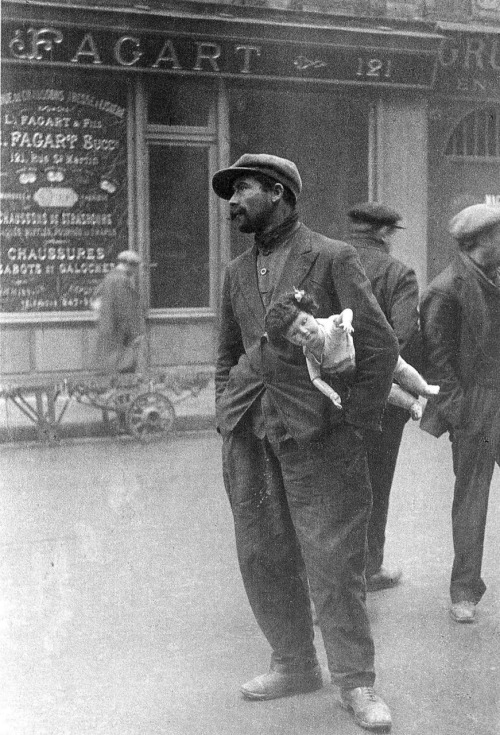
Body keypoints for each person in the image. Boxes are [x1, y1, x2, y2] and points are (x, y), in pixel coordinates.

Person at [212, 153, 399, 731]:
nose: (232, 203)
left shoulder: (331, 257)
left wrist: (357, 424)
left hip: (321, 436)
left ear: (278, 192)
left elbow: (380, 347)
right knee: (262, 554)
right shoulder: (237, 271)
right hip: (251, 433)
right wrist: (227, 408)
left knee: (333, 560)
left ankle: (356, 683)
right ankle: (292, 663)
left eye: (241, 190)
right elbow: (226, 354)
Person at [420, 203, 500, 624]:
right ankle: (463, 591)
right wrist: (461, 414)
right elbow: (437, 363)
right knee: (472, 498)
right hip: (477, 404)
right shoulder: (446, 290)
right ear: (482, 241)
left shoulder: (496, 277)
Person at [347, 203, 422, 591]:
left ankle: (323, 576)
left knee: (329, 485)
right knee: (376, 481)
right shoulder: (397, 273)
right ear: (385, 232)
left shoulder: (322, 261)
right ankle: (368, 568)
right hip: (379, 398)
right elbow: (405, 335)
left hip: (324, 394)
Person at [265, 288, 438, 420]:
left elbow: (346, 312)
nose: (303, 332)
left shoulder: (331, 327)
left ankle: (423, 388)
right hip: (351, 371)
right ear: (288, 340)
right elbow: (315, 378)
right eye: (294, 334)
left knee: (398, 367)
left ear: (310, 313)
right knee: (383, 390)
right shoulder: (309, 353)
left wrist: (346, 322)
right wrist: (331, 394)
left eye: (304, 321)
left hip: (364, 352)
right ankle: (412, 404)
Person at [92, 250, 146, 375]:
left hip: (108, 328)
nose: (135, 271)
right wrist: (134, 333)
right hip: (118, 330)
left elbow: (96, 298)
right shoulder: (122, 280)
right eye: (135, 267)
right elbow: (125, 309)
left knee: (110, 364)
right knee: (123, 367)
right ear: (129, 265)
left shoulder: (109, 276)